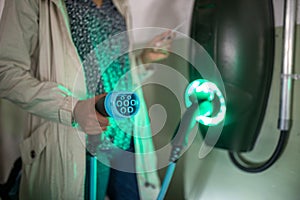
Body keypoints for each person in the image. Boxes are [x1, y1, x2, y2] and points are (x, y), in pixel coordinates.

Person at [0, 0, 174, 199]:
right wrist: (72, 109)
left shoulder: (119, 4)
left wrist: (142, 60)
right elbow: (5, 72)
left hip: (125, 136)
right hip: (80, 144)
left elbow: (111, 68)